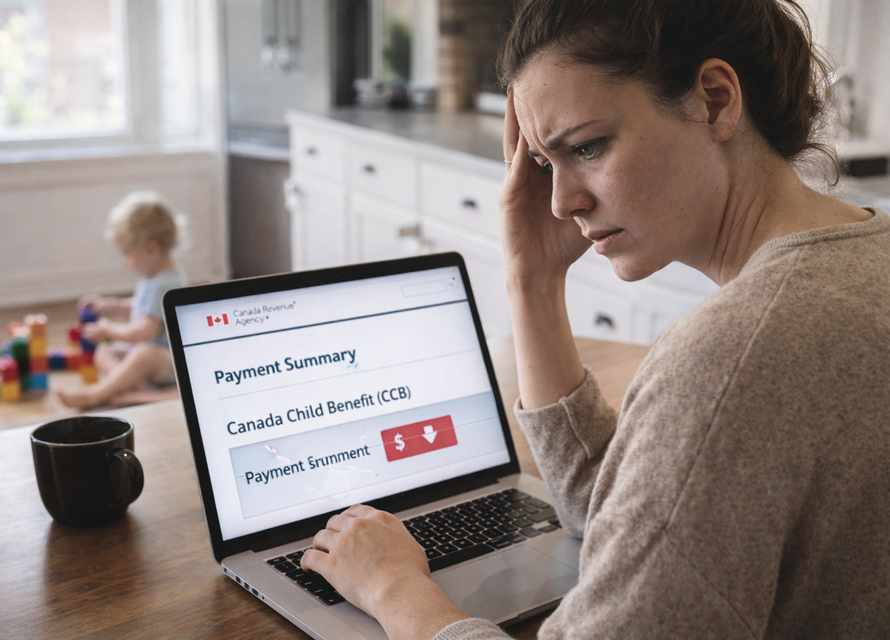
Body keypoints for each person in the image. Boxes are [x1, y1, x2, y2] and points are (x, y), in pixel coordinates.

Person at [299, 0, 890, 638]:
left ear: (715, 100)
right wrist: (533, 281)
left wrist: (397, 591)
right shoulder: (867, 257)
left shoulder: (733, 358)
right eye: (549, 163)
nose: (560, 202)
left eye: (587, 146)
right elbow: (638, 519)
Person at [57, 191, 187, 410]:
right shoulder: (153, 276)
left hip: (168, 360)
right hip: (148, 353)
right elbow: (138, 308)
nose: (124, 261)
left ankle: (96, 395)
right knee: (105, 352)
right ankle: (138, 391)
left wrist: (108, 329)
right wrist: (107, 306)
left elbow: (144, 331)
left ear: (151, 249)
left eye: (127, 253)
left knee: (142, 354)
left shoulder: (166, 283)